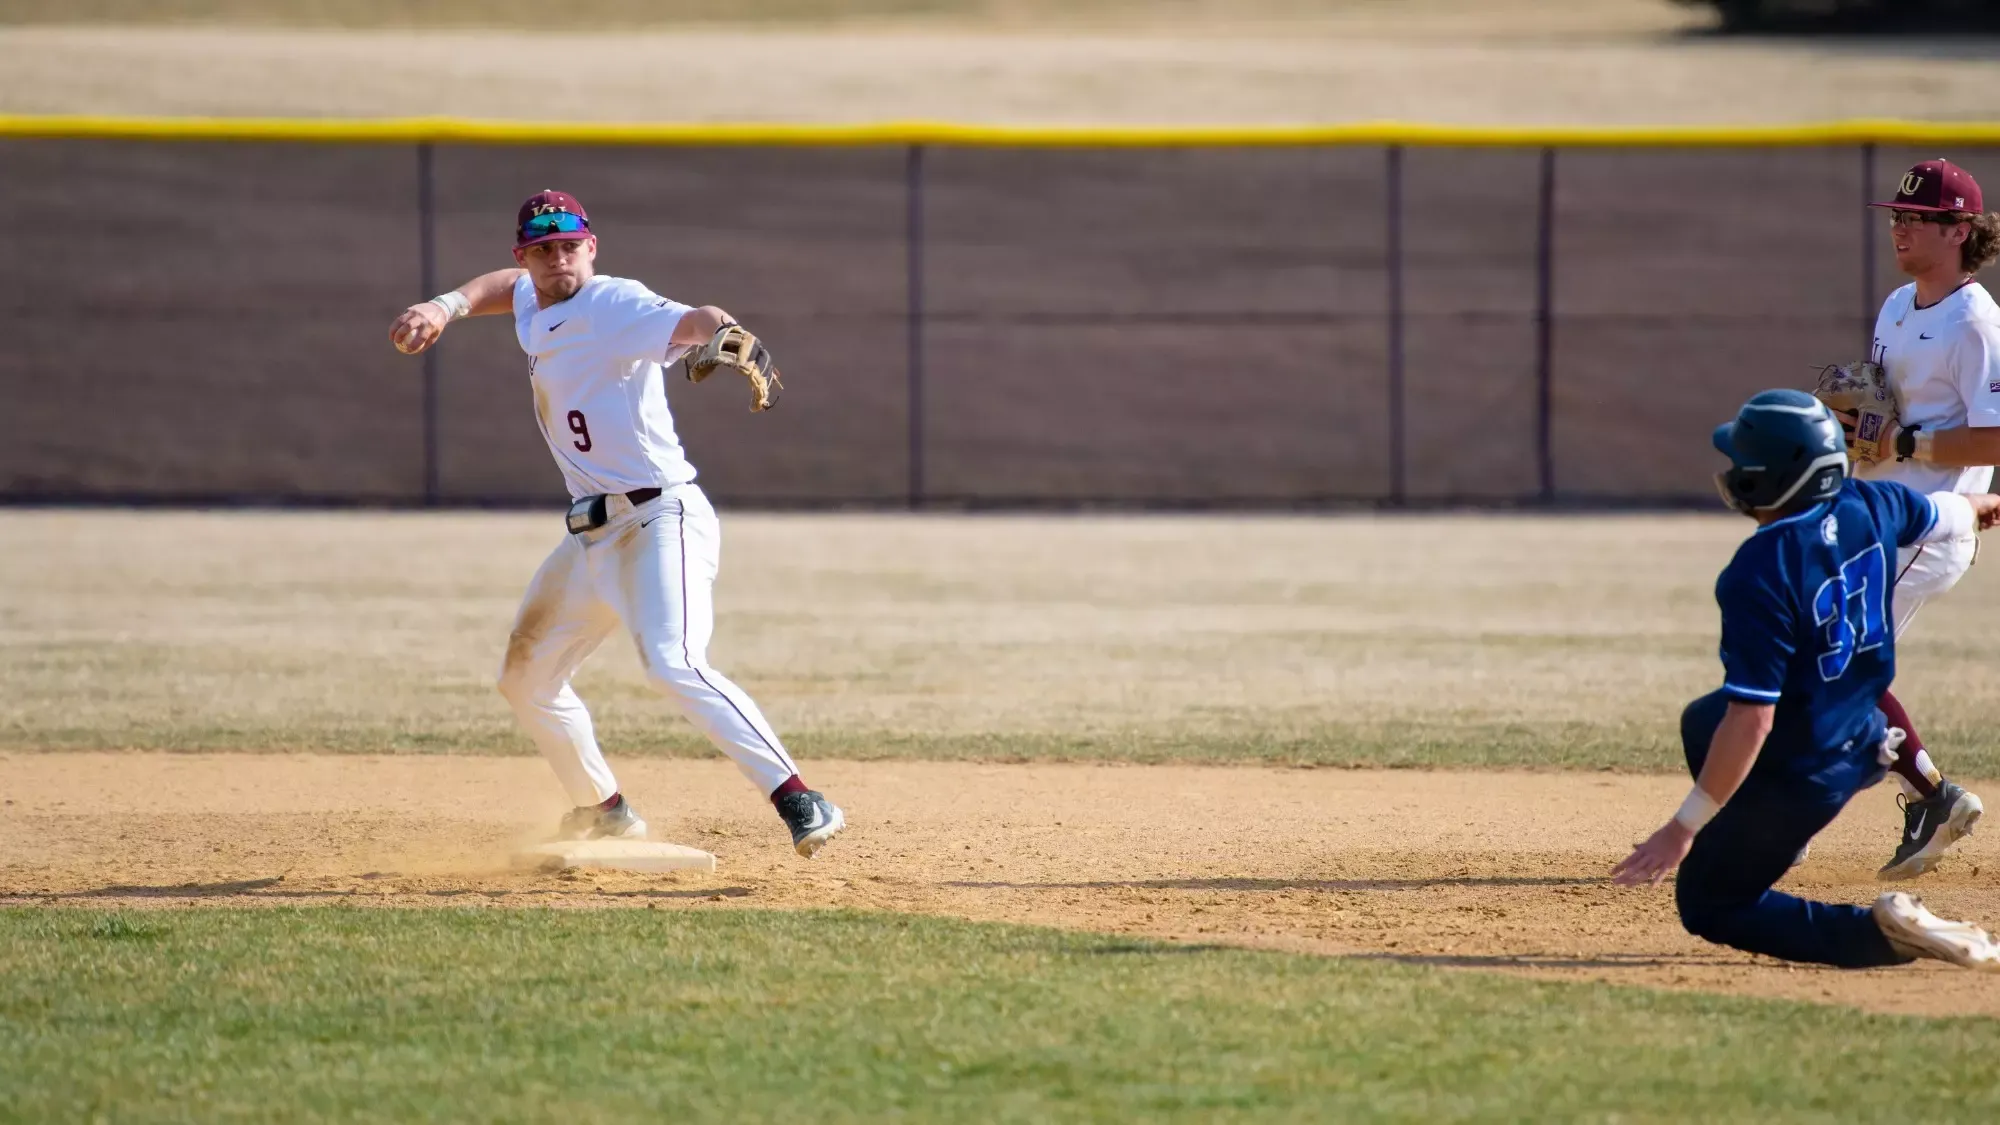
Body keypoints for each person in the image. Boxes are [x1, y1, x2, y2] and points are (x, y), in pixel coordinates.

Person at [386, 189, 845, 858]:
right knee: (526, 678)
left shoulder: (611, 303)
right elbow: (505, 287)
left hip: (662, 520)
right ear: (526, 254)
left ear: (592, 248)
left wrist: (721, 333)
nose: (558, 259)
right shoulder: (533, 299)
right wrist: (445, 306)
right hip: (592, 537)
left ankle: (800, 796)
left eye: (571, 245)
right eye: (544, 249)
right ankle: (605, 809)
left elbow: (694, 319)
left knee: (672, 661)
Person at [1613, 389, 2000, 971]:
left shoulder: (1758, 570)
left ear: (1768, 480)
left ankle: (1885, 932)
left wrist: (1682, 827)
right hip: (1868, 736)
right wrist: (1985, 503)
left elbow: (1754, 718)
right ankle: (1771, 834)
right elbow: (1954, 513)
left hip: (1809, 769)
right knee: (1702, 718)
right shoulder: (1871, 503)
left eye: (1746, 462)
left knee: (1708, 904)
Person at [1841, 158, 2000, 878]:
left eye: (1919, 218)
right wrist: (1851, 423)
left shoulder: (1976, 322)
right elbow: (1878, 405)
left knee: (1835, 652)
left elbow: (1996, 434)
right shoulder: (1898, 304)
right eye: (1898, 216)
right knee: (1835, 657)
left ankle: (1914, 793)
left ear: (1960, 229)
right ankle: (1926, 792)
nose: (1901, 227)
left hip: (1932, 523)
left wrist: (1908, 443)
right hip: (1882, 510)